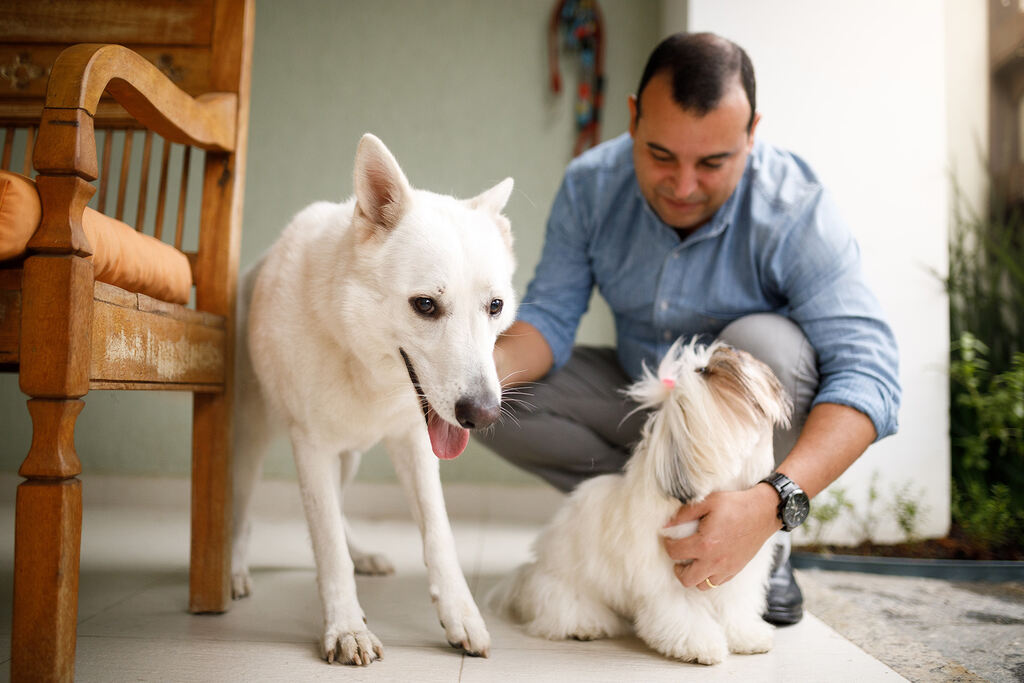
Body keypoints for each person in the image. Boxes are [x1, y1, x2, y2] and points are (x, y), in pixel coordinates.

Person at [479, 32, 901, 625]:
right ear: (632, 118)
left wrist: (774, 502)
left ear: (752, 132)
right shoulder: (589, 186)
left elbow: (872, 378)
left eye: (712, 163)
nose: (681, 186)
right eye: (659, 155)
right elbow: (547, 320)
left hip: (743, 450)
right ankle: (646, 528)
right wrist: (469, 378)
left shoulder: (797, 210)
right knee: (497, 400)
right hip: (641, 406)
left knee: (766, 348)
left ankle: (759, 540)